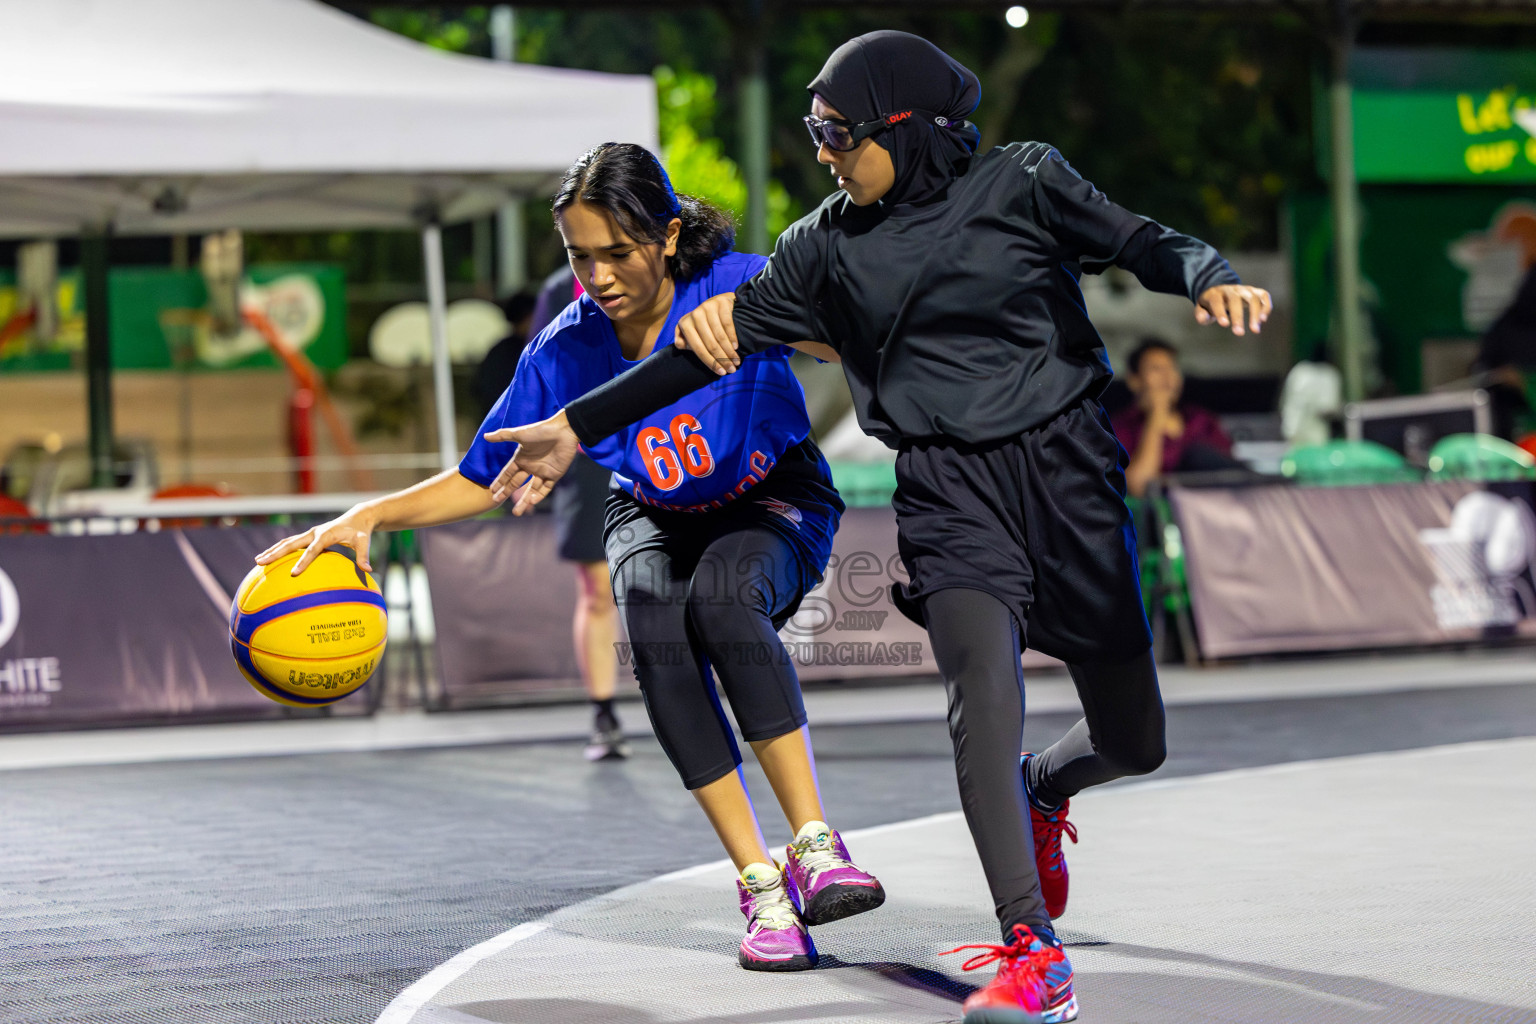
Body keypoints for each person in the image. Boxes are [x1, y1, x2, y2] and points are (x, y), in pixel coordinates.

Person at [487, 33, 1271, 1024]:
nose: (821, 152)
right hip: (948, 491)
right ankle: (1033, 949)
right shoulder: (821, 247)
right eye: (813, 132)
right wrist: (571, 425)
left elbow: (1139, 238)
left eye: (836, 133)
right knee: (979, 689)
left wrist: (1207, 272)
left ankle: (1045, 788)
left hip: (1069, 475)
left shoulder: (1024, 182)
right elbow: (699, 355)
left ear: (904, 127)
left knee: (1136, 738)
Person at [256, 142, 883, 973]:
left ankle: (815, 845)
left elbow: (857, 346)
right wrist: (369, 515)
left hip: (772, 493)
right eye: (579, 257)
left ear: (666, 236)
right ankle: (761, 886)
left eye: (617, 253)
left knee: (725, 606)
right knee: (657, 642)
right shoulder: (564, 346)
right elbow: (483, 474)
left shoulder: (738, 280)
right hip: (651, 509)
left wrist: (774, 319)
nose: (599, 275)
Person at [476, 277, 628, 761]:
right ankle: (604, 713)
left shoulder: (678, 266)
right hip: (587, 453)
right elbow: (546, 374)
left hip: (669, 438)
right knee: (598, 590)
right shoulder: (561, 289)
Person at [1111, 338, 1239, 497]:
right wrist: (1156, 417)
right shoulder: (1121, 427)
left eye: (1172, 367)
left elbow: (1235, 476)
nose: (1168, 377)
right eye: (1156, 369)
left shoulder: (1200, 419)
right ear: (1134, 380)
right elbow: (1139, 487)